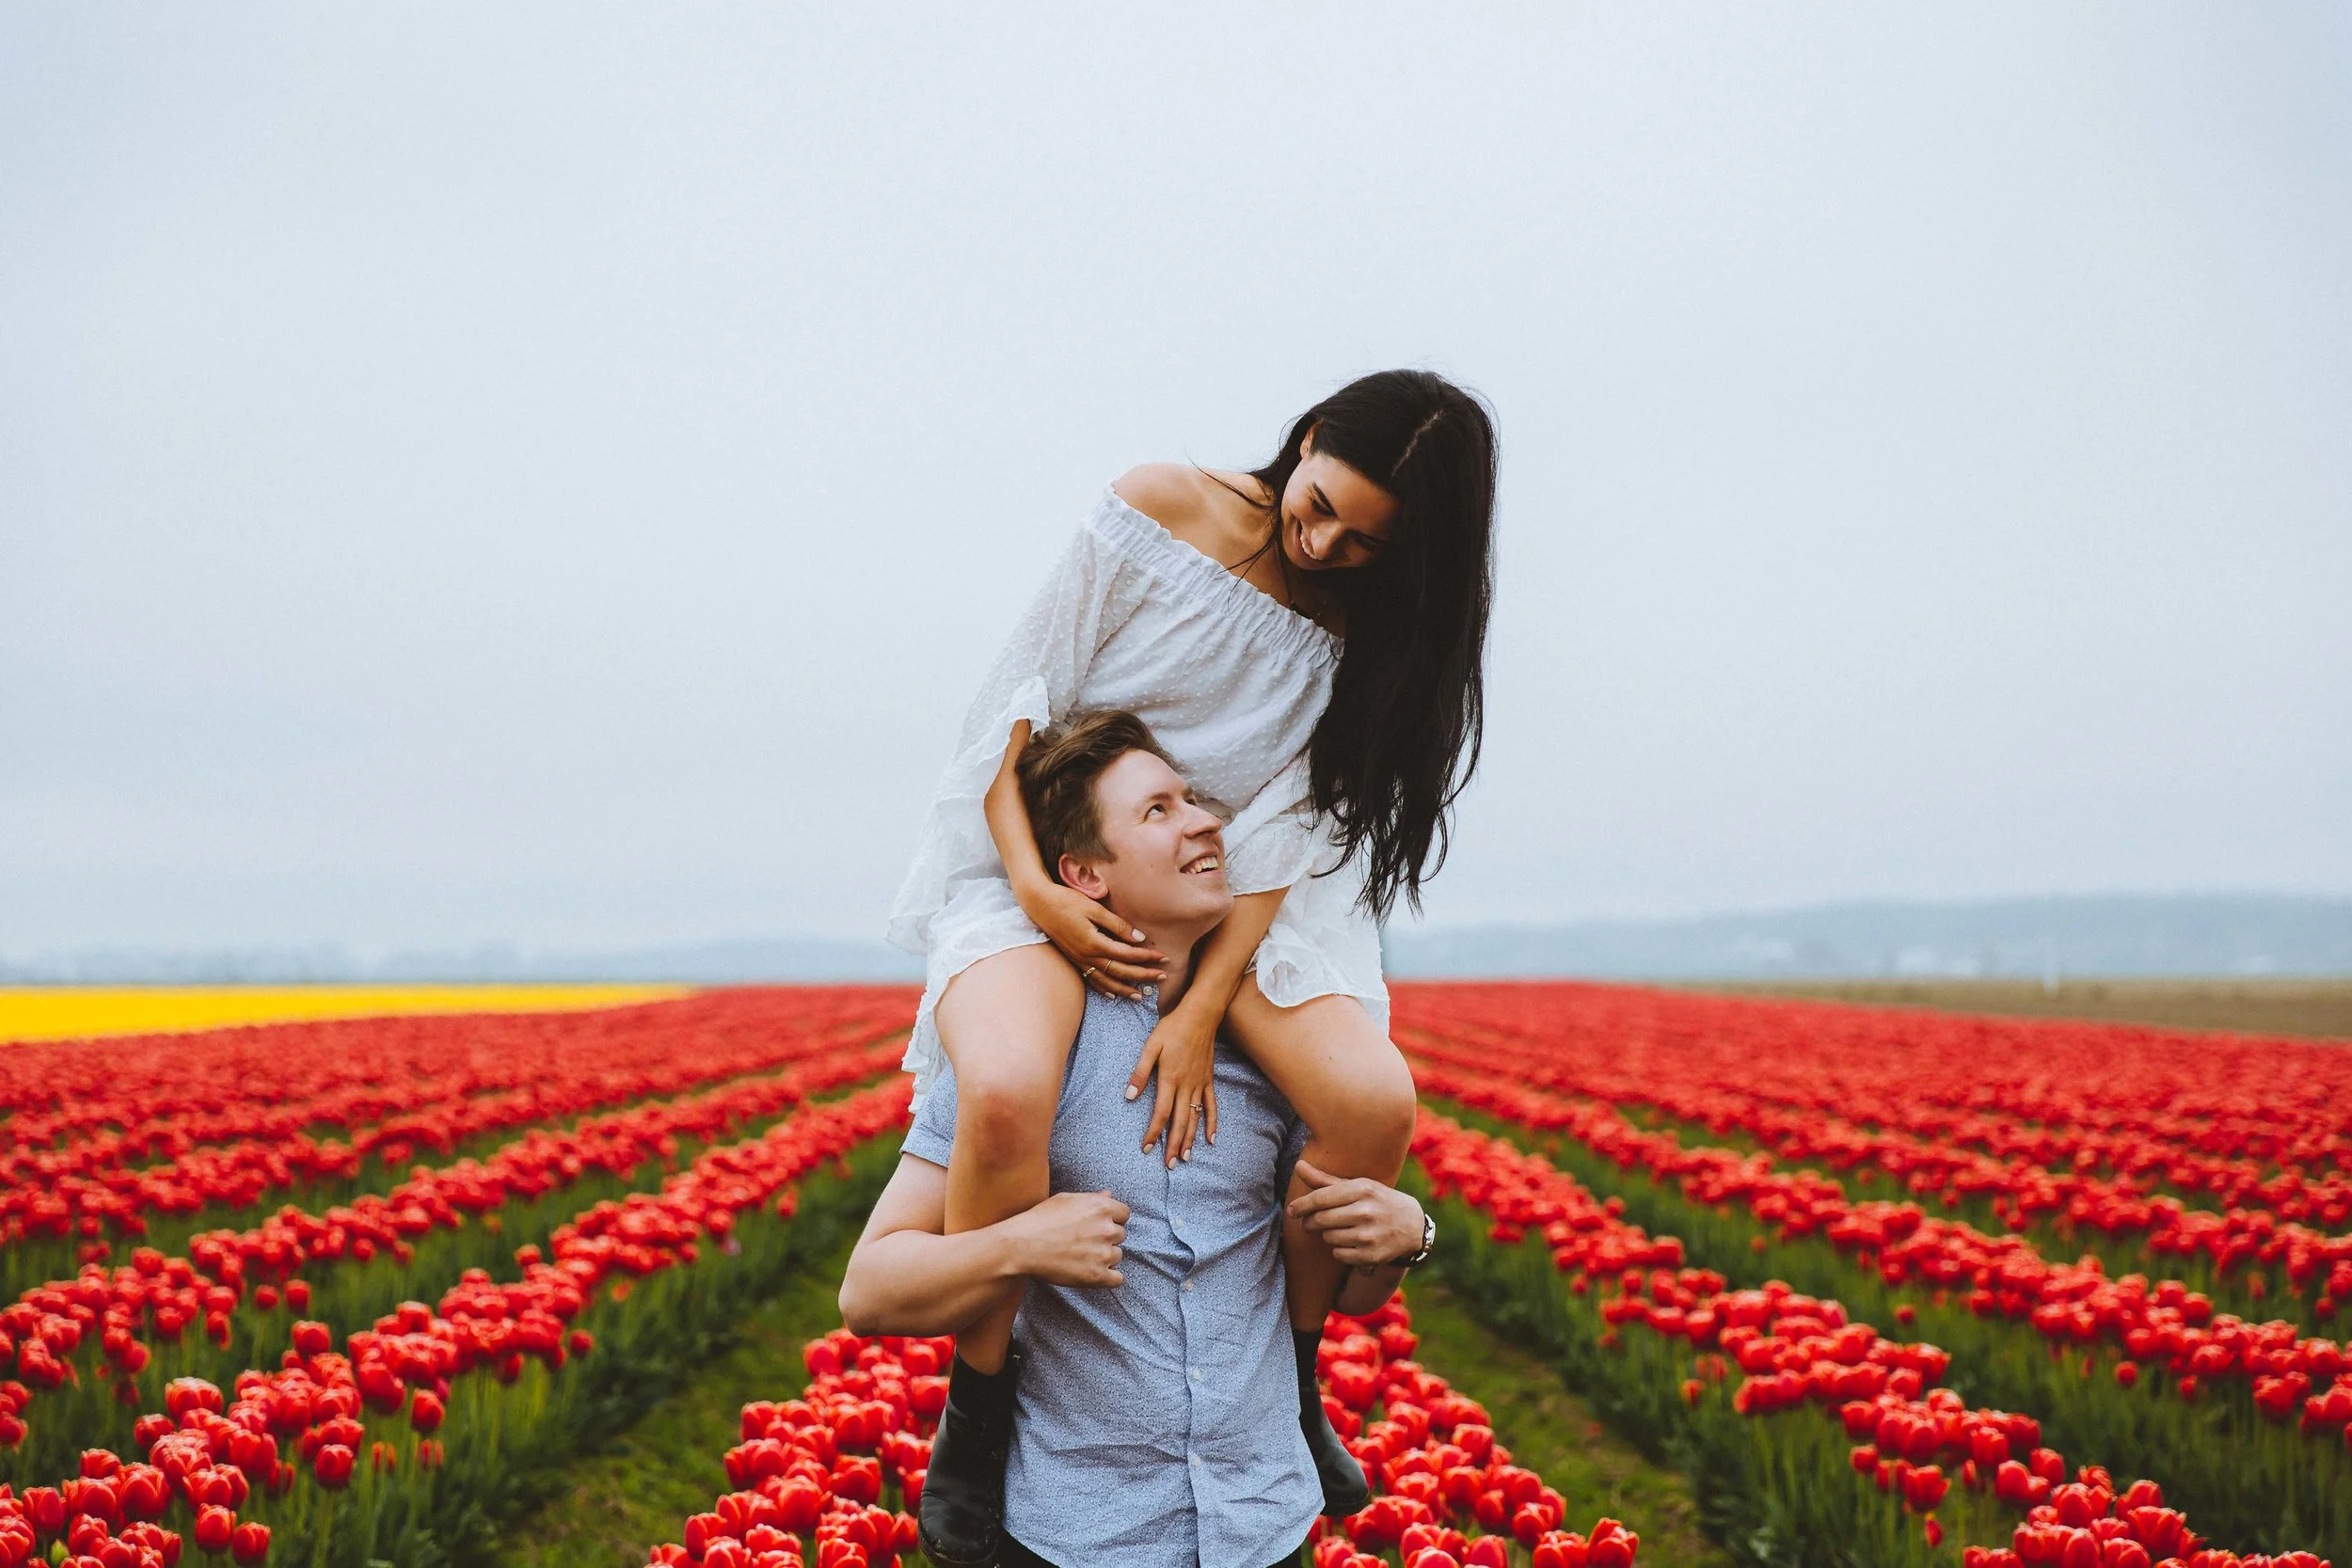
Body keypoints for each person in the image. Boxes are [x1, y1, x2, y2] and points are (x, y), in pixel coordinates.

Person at [886, 370, 1497, 1563]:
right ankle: (981, 1408)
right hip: (1071, 850)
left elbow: (1294, 826)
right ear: (1306, 437)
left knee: (1372, 1101)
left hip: (1248, 890)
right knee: (1008, 1083)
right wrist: (1040, 899)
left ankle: (1295, 1389)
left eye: (1365, 544)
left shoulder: (1373, 627)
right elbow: (1009, 714)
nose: (1321, 544)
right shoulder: (1162, 505)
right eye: (1318, 502)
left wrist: (1201, 1002)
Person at [847, 712, 1437, 1568]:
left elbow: (1349, 1292)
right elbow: (868, 1291)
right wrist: (1019, 1244)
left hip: (1262, 1528)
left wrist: (1405, 1239)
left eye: (1193, 799)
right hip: (1076, 1536)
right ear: (1083, 874)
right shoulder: (1028, 1056)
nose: (1204, 820)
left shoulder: (1285, 1060)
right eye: (1158, 811)